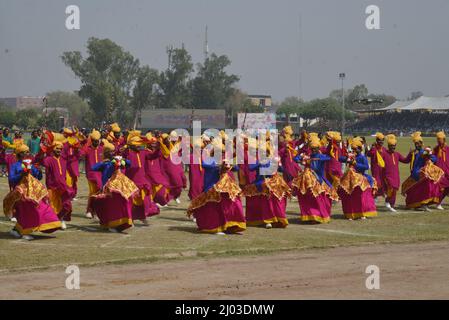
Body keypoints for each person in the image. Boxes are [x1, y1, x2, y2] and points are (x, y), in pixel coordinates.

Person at [3, 144, 61, 240]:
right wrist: (22, 174)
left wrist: (37, 170)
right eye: (25, 152)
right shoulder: (15, 166)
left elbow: (38, 177)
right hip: (22, 193)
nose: (28, 153)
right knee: (28, 209)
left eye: (28, 151)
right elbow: (12, 179)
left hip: (34, 191)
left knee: (43, 207)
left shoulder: (30, 164)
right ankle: (25, 231)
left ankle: (17, 230)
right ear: (20, 154)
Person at [187, 144, 246, 234]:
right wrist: (219, 165)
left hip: (223, 187)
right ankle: (215, 227)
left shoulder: (224, 160)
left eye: (222, 152)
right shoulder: (209, 160)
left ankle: (230, 225)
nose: (221, 154)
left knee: (233, 202)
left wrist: (229, 164)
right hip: (211, 187)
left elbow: (236, 168)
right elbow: (205, 165)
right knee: (213, 208)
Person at [242, 139, 290, 228]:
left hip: (273, 182)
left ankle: (278, 218)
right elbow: (251, 168)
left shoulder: (272, 160)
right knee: (265, 196)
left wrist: (278, 165)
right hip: (261, 183)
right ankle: (266, 220)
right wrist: (259, 163)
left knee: (279, 195)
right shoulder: (258, 161)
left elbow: (281, 170)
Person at [90, 143, 138, 232]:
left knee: (121, 203)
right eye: (109, 152)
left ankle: (124, 221)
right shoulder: (105, 163)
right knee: (105, 206)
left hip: (117, 188)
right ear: (106, 152)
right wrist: (103, 162)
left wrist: (122, 159)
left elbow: (129, 163)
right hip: (106, 189)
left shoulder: (117, 160)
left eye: (113, 151)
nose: (112, 153)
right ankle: (107, 224)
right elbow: (93, 168)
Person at [292, 136, 338, 223]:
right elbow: (295, 158)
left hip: (319, 178)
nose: (313, 150)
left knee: (321, 197)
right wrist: (302, 159)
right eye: (312, 148)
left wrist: (316, 159)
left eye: (315, 148)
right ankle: (310, 215)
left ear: (318, 148)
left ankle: (319, 215)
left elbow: (329, 157)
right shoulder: (307, 156)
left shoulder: (321, 156)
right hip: (306, 179)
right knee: (306, 197)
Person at [123, 131, 159, 225]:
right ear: (132, 145)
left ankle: (143, 216)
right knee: (133, 202)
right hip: (131, 182)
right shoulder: (128, 154)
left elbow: (152, 156)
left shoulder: (144, 152)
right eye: (137, 144)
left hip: (143, 181)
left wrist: (158, 149)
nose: (139, 146)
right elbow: (122, 155)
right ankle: (131, 218)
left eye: (140, 144)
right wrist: (126, 148)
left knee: (146, 200)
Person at [401, 132, 443, 211]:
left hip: (422, 175)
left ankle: (424, 204)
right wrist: (407, 155)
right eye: (416, 143)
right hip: (415, 175)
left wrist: (429, 155)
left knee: (426, 188)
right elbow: (406, 160)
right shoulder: (413, 153)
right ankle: (415, 204)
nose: (417, 145)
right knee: (412, 190)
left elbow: (435, 159)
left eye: (418, 143)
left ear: (421, 143)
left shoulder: (425, 152)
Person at [338, 137, 378, 220]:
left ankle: (362, 213)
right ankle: (349, 213)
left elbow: (366, 167)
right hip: (350, 178)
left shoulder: (362, 157)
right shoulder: (351, 155)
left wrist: (355, 164)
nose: (354, 151)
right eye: (353, 149)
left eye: (355, 149)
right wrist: (347, 158)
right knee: (348, 194)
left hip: (360, 177)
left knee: (360, 196)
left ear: (360, 149)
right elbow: (340, 158)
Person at [42, 141, 74, 229]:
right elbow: (41, 162)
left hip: (63, 187)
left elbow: (75, 156)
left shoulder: (63, 159)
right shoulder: (48, 159)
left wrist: (75, 145)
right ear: (53, 149)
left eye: (60, 149)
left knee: (67, 205)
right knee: (52, 206)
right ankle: (53, 222)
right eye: (57, 148)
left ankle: (61, 219)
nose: (59, 150)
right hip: (52, 187)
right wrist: (43, 152)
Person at [79, 129, 103, 218]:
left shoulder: (102, 149)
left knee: (99, 193)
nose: (96, 143)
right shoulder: (87, 149)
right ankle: (89, 210)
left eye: (97, 141)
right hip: (91, 174)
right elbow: (80, 154)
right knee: (93, 192)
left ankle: (96, 210)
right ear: (91, 141)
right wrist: (85, 144)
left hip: (101, 175)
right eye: (94, 141)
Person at [159, 131, 187, 204]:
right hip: (166, 166)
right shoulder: (164, 146)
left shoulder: (178, 144)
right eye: (172, 139)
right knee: (168, 183)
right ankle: (166, 198)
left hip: (177, 166)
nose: (174, 140)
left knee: (179, 182)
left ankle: (176, 196)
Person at [382, 134, 408, 212]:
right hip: (387, 176)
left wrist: (411, 154)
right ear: (388, 146)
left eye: (394, 146)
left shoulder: (397, 154)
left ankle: (391, 204)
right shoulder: (384, 154)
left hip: (396, 176)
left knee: (394, 190)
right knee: (391, 189)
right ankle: (388, 202)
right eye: (391, 146)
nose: (393, 147)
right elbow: (379, 163)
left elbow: (405, 160)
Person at [366, 132, 387, 199]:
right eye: (379, 140)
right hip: (375, 169)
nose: (381, 141)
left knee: (382, 181)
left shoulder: (384, 149)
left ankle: (381, 193)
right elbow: (368, 154)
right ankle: (375, 195)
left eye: (382, 140)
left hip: (383, 169)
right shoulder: (374, 148)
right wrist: (371, 148)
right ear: (377, 141)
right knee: (376, 181)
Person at [433, 131, 449, 209]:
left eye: (441, 139)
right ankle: (438, 203)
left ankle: (438, 202)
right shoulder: (435, 149)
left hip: (448, 172)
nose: (439, 141)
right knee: (442, 188)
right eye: (438, 139)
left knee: (447, 188)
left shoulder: (448, 148)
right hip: (439, 173)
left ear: (444, 139)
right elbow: (432, 159)